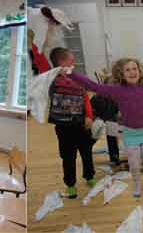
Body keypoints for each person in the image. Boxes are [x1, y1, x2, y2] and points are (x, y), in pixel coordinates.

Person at [63, 47, 143, 197]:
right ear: (122, 74)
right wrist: (71, 73)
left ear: (139, 70)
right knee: (134, 164)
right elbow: (93, 86)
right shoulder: (117, 90)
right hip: (131, 134)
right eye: (128, 70)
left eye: (134, 69)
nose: (132, 72)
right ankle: (137, 183)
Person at [48, 47, 96, 199]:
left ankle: (89, 176)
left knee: (87, 152)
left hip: (82, 124)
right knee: (68, 157)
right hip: (64, 128)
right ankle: (70, 185)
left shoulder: (77, 78)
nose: (74, 62)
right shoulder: (52, 79)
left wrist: (89, 116)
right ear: (62, 62)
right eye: (71, 59)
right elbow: (40, 60)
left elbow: (86, 98)